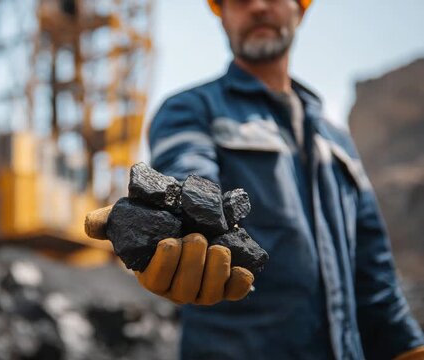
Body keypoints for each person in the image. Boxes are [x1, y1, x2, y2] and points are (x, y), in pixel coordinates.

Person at [84, 0, 424, 359]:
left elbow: (375, 280)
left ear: (301, 9)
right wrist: (171, 218)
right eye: (241, 0)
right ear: (223, 15)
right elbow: (187, 169)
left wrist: (409, 348)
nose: (259, 6)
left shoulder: (337, 141)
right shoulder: (191, 110)